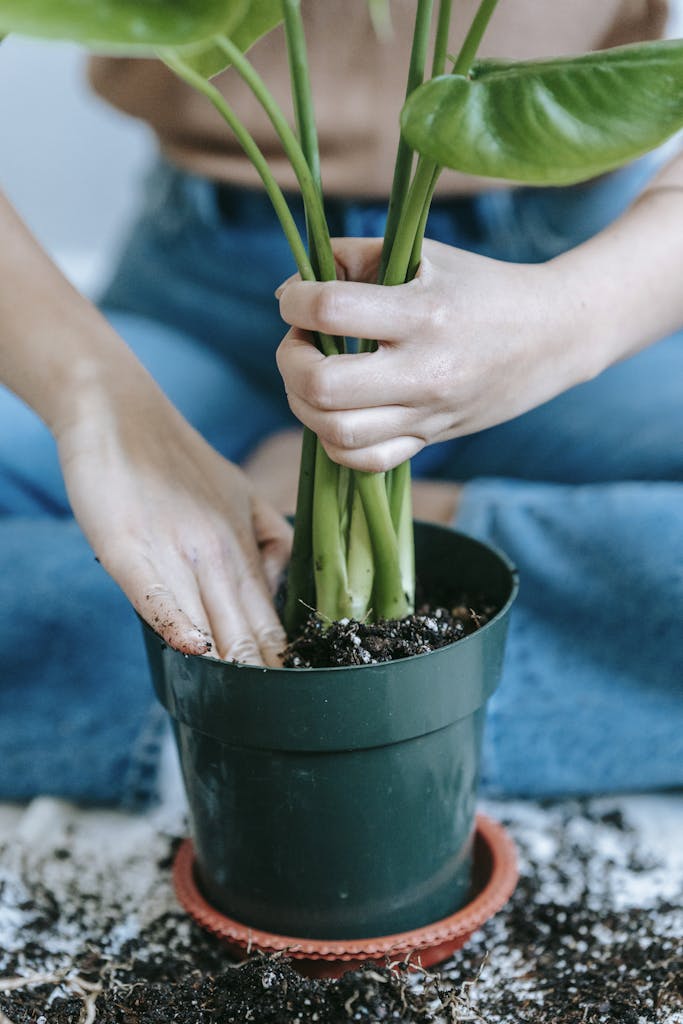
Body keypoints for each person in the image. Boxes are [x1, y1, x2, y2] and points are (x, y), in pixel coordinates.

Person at [0, 0, 681, 807]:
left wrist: (568, 321)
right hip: (211, 278)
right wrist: (102, 404)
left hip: (555, 281)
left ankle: (228, 709)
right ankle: (398, 723)